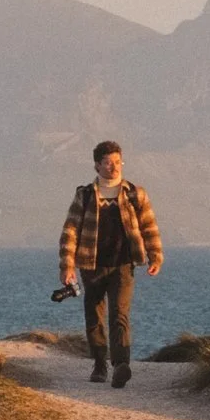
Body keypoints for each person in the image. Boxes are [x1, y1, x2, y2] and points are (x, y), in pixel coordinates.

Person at [58, 141, 162, 387]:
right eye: (108, 163)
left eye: (117, 162)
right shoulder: (84, 195)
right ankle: (99, 363)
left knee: (119, 314)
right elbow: (70, 230)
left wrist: (155, 255)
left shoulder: (136, 193)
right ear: (97, 166)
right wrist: (67, 265)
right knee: (94, 315)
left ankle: (121, 365)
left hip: (124, 265)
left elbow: (149, 226)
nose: (114, 167)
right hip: (91, 265)